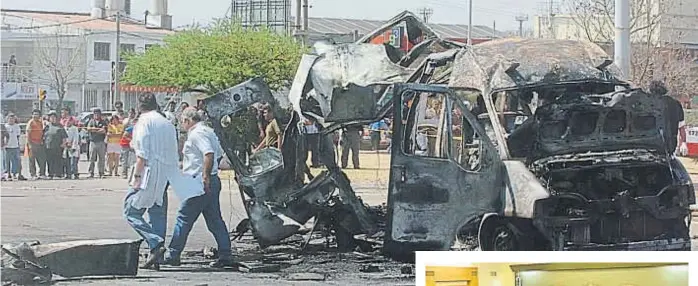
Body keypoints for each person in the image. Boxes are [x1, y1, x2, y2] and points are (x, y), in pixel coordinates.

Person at [163, 107, 234, 268]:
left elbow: (208, 154)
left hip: (200, 181)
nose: (182, 125)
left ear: (188, 121)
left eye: (182, 122)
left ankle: (173, 254)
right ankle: (226, 254)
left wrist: (205, 176)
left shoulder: (197, 134)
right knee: (214, 220)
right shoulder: (208, 131)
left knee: (184, 218)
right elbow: (217, 154)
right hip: (209, 179)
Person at [124, 93, 180, 270]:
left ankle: (155, 243)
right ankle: (156, 256)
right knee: (157, 212)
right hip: (166, 172)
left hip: (149, 170)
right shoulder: (167, 123)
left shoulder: (143, 122)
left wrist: (137, 177)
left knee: (131, 210)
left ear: (140, 106)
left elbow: (142, 154)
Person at [649, 80, 684, 154]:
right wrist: (683, 143)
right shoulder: (675, 103)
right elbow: (681, 127)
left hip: (650, 147)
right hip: (670, 146)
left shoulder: (645, 102)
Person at [43, 111, 68, 179]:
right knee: (49, 161)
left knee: (58, 161)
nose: (53, 119)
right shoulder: (47, 126)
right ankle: (50, 173)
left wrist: (63, 144)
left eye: (54, 117)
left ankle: (58, 174)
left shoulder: (60, 126)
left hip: (58, 147)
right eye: (51, 117)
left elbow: (64, 137)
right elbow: (43, 136)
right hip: (48, 147)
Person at [86, 108, 108, 178]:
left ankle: (101, 173)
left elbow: (104, 131)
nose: (96, 115)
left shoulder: (103, 122)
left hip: (101, 142)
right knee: (91, 158)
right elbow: (89, 129)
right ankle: (91, 172)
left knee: (101, 158)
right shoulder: (91, 121)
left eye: (98, 114)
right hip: (93, 142)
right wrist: (97, 130)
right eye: (95, 114)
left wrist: (94, 130)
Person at [26, 109, 47, 179]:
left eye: (37, 114)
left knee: (41, 159)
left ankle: (42, 174)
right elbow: (28, 134)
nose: (35, 116)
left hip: (39, 144)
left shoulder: (40, 123)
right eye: (34, 114)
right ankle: (33, 175)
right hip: (32, 143)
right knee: (32, 160)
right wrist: (29, 144)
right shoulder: (31, 122)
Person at [4, 113, 25, 181]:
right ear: (7, 119)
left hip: (15, 146)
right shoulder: (5, 126)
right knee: (8, 162)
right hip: (7, 147)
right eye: (10, 118)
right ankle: (8, 174)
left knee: (18, 161)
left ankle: (18, 174)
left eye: (13, 118)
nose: (11, 120)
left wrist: (19, 145)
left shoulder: (17, 126)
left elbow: (18, 136)